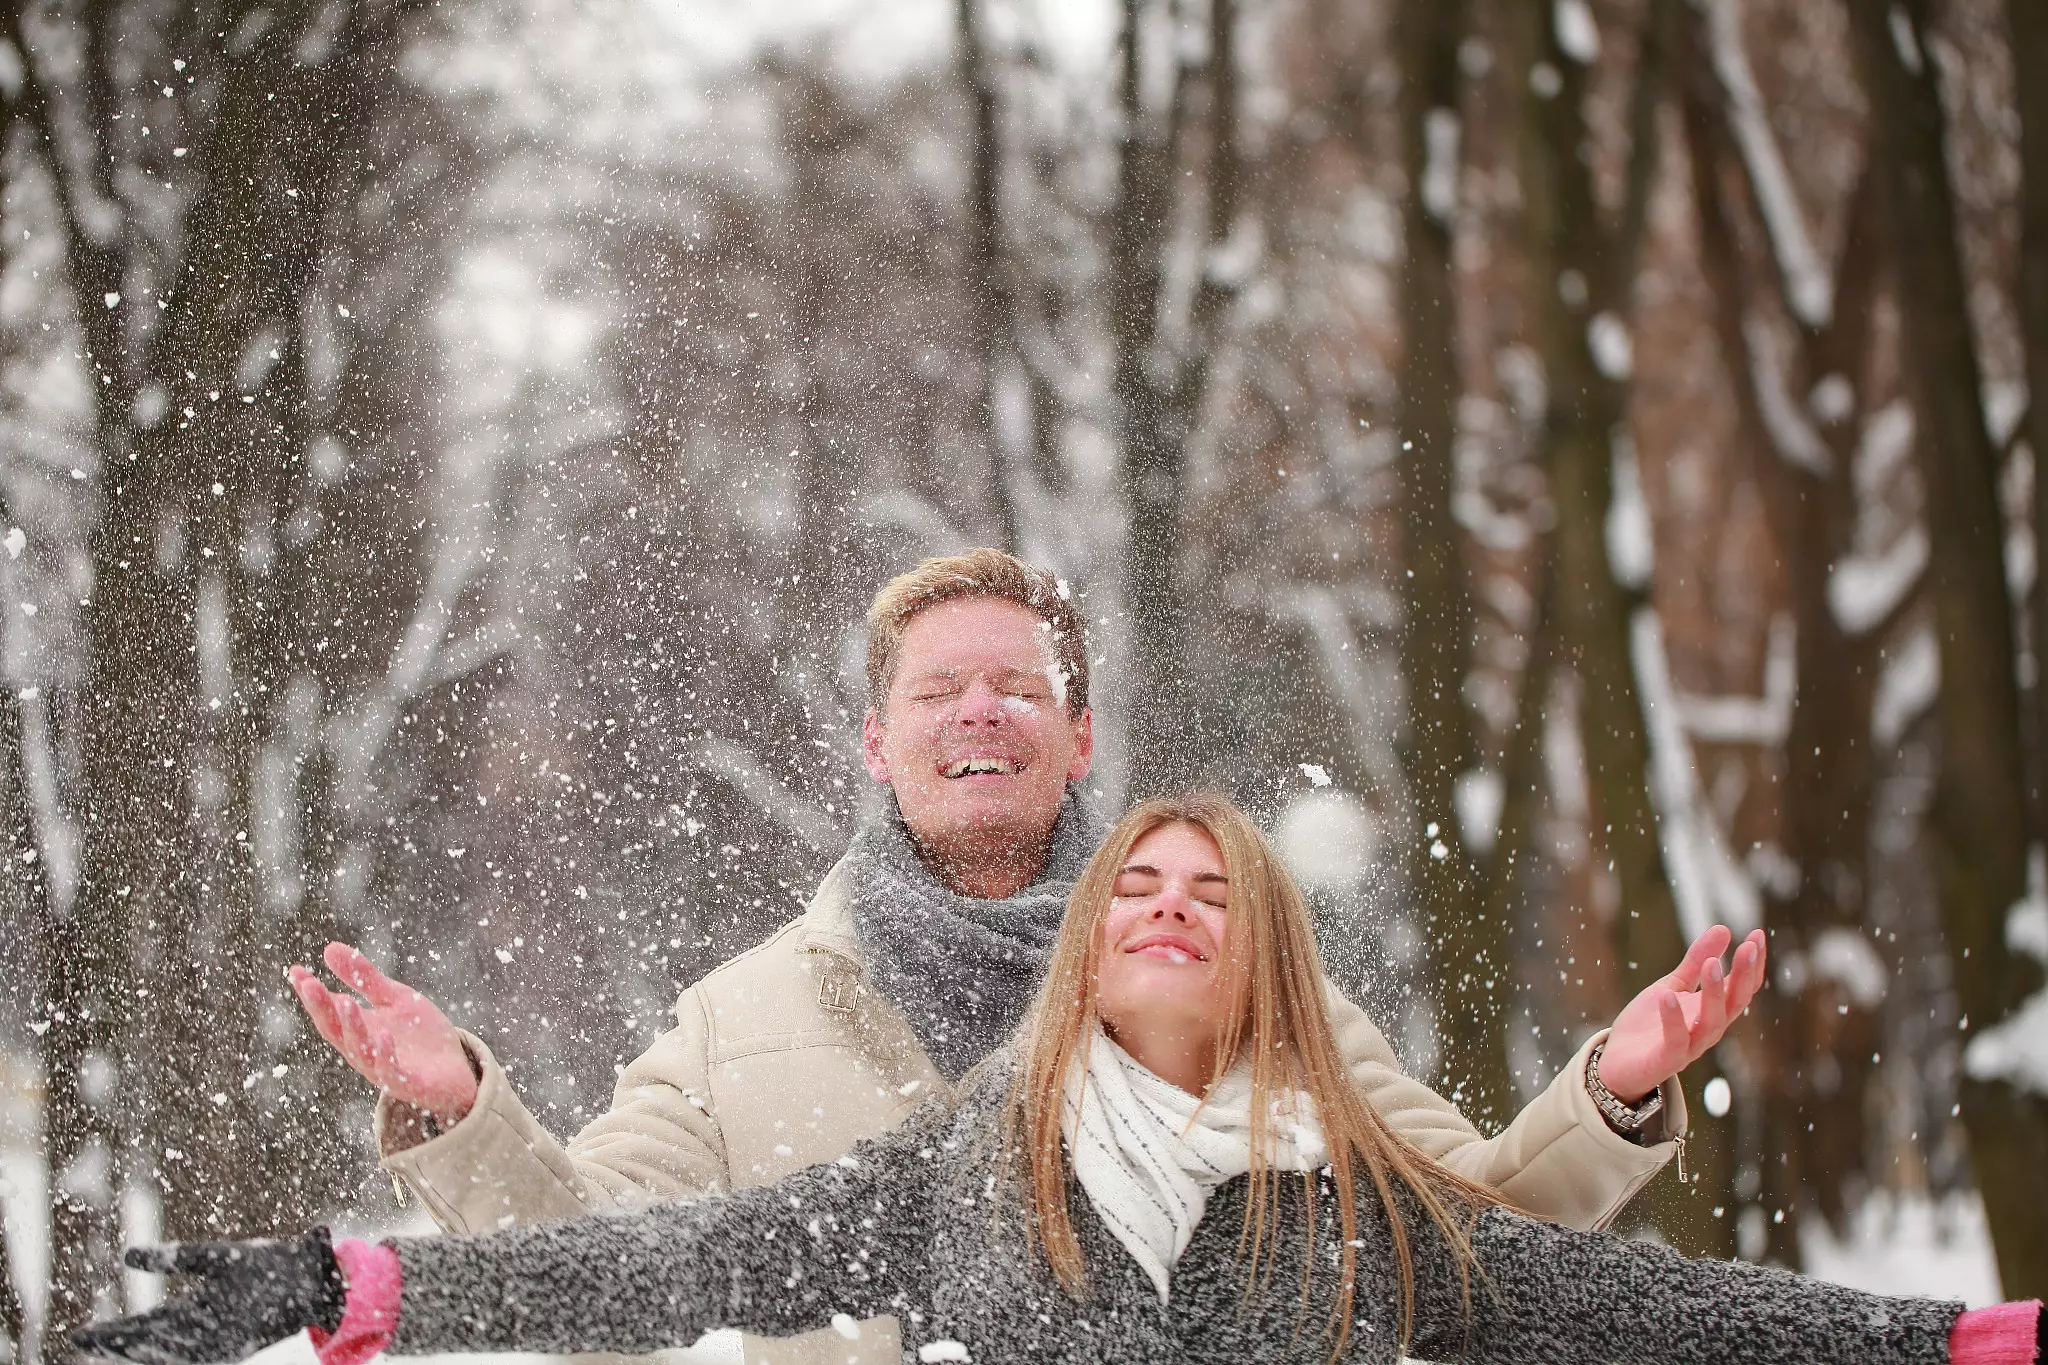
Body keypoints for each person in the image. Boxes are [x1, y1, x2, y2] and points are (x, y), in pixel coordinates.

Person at [282, 549, 1765, 1365]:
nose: (977, 713)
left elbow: (1465, 1241)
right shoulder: (743, 1019)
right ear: (877, 744)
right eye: (939, 690)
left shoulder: (1244, 986)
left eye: (1016, 686)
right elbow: (599, 1274)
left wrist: (1611, 1095)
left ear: (1080, 739)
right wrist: (461, 1109)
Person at [78, 795, 2038, 1365]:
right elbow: (649, 1263)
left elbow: (1620, 1295)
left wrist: (1950, 1345)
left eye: (1216, 890)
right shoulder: (951, 1167)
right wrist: (373, 1271)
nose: (1173, 908)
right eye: (1145, 889)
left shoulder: (1356, 1188)